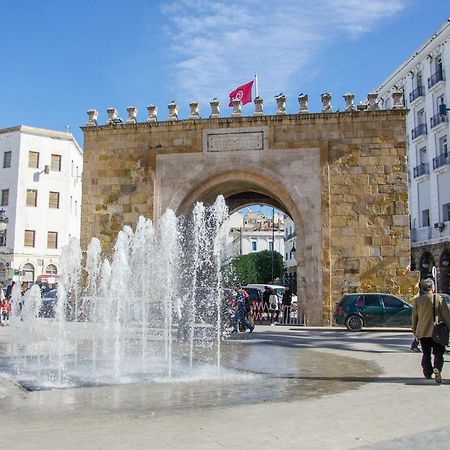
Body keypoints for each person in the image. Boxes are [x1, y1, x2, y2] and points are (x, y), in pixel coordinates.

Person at [412, 278, 450, 384]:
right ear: (432, 287)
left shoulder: (418, 300)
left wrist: (415, 331)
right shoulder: (439, 299)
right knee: (438, 353)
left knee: (426, 353)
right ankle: (437, 367)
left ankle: (428, 373)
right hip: (437, 331)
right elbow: (446, 316)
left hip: (423, 331)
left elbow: (414, 317)